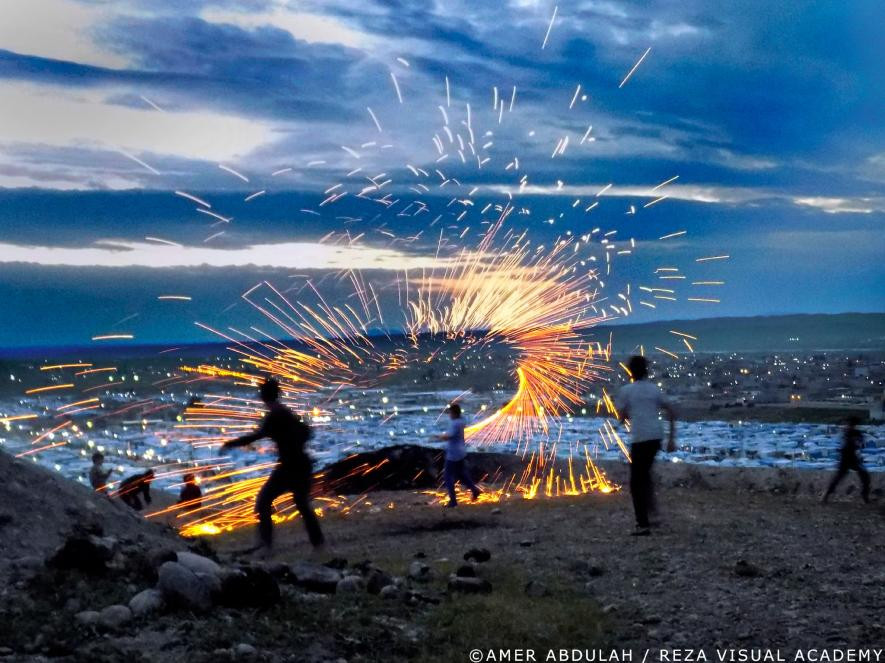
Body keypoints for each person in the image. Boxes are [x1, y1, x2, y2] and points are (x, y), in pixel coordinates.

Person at [222, 378, 324, 553]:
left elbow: (257, 436)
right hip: (300, 464)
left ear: (264, 396)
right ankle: (318, 543)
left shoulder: (276, 414)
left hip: (290, 467)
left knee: (264, 502)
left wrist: (231, 444)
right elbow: (307, 432)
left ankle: (266, 545)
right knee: (301, 504)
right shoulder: (284, 412)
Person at [614, 355, 677, 536]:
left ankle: (643, 523)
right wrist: (672, 438)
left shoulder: (626, 391)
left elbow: (622, 415)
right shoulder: (654, 389)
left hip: (640, 438)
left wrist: (622, 416)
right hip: (656, 437)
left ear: (630, 371)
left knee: (636, 481)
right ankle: (653, 514)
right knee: (645, 475)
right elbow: (672, 411)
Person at [435, 402, 481, 507]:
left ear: (454, 413)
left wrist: (437, 437)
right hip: (461, 452)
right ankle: (475, 490)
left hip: (453, 454)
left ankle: (453, 501)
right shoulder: (461, 420)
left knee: (447, 476)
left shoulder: (455, 423)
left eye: (450, 413)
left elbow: (449, 436)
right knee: (461, 475)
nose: (449, 415)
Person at [822, 416, 871, 504]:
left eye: (850, 424)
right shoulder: (848, 433)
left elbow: (861, 444)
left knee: (864, 477)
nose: (849, 426)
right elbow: (853, 445)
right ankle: (826, 495)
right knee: (838, 478)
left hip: (852, 459)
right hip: (846, 459)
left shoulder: (853, 433)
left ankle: (865, 496)